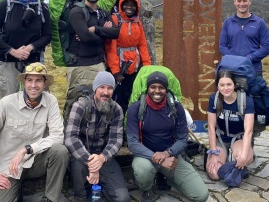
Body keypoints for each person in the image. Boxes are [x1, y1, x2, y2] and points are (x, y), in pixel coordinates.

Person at [0, 63, 68, 202]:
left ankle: (51, 198)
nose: (33, 85)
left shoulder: (51, 101)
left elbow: (57, 136)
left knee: (60, 151)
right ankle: (14, 192)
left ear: (45, 83)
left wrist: (26, 149)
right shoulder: (7, 103)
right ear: (24, 82)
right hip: (9, 168)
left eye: (38, 81)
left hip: (35, 161)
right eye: (29, 80)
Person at [126, 71, 209, 202]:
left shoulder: (176, 108)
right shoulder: (136, 109)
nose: (157, 91)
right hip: (145, 157)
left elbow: (182, 139)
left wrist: (167, 154)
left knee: (201, 195)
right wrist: (159, 159)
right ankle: (147, 189)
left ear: (166, 89)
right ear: (147, 88)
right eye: (153, 87)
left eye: (161, 87)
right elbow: (132, 143)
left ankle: (165, 176)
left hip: (171, 156)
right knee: (143, 170)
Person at [64, 71, 129, 202]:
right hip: (81, 156)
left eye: (110, 88)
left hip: (104, 157)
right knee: (81, 194)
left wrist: (102, 158)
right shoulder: (80, 106)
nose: (106, 92)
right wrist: (92, 163)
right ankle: (82, 194)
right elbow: (70, 138)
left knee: (123, 198)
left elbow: (116, 140)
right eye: (102, 87)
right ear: (95, 89)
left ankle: (101, 185)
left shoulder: (117, 109)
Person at [62, 0, 119, 120]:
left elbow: (116, 33)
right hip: (79, 65)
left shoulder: (104, 13)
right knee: (77, 101)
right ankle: (70, 132)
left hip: (99, 64)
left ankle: (96, 132)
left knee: (100, 100)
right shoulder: (76, 12)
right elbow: (85, 36)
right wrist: (103, 34)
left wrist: (95, 29)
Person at [0, 0, 51, 98]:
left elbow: (47, 35)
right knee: (8, 100)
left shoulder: (42, 7)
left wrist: (29, 48)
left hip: (34, 61)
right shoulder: (4, 6)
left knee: (37, 98)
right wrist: (13, 51)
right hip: (8, 61)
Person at [105, 0, 151, 114]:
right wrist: (115, 71)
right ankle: (114, 124)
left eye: (132, 5)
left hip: (133, 67)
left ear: (137, 7)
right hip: (119, 68)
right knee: (115, 97)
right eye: (126, 4)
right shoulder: (115, 20)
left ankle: (125, 125)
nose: (129, 7)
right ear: (121, 5)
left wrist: (147, 66)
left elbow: (142, 45)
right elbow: (111, 47)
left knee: (128, 96)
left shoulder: (137, 22)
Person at [206, 70, 254, 183]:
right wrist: (213, 152)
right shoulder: (214, 99)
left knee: (245, 158)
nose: (226, 88)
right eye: (222, 85)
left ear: (234, 85)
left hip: (238, 138)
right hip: (221, 138)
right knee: (214, 174)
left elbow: (249, 131)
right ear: (217, 86)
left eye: (229, 84)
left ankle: (235, 164)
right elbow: (211, 127)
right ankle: (230, 166)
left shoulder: (246, 101)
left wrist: (243, 157)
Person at [219, 0, 269, 90]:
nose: (242, 4)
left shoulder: (260, 23)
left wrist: (248, 59)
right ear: (234, 2)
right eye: (239, 1)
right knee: (232, 99)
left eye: (244, 1)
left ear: (250, 2)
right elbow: (222, 46)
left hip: (253, 69)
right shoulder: (228, 22)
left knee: (255, 100)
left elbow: (267, 48)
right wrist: (235, 60)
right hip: (232, 69)